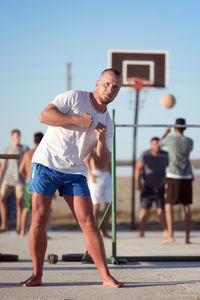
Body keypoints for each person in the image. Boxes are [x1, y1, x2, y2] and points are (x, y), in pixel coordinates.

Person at [20, 68, 124, 288]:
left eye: (115, 87)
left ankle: (106, 277)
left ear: (118, 91)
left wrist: (101, 140)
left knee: (88, 222)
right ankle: (37, 275)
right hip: (47, 163)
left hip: (75, 172)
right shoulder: (75, 97)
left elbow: (103, 162)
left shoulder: (108, 122)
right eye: (106, 84)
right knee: (39, 219)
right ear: (97, 82)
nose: (110, 89)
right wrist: (76, 119)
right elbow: (44, 115)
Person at [160, 118, 193, 244]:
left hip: (173, 174)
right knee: (186, 206)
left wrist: (166, 133)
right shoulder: (190, 141)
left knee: (168, 205)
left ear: (175, 128)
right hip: (187, 175)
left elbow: (160, 143)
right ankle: (187, 237)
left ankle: (171, 236)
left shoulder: (171, 138)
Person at [135, 137, 169, 238]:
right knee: (144, 211)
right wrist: (139, 185)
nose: (157, 146)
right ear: (151, 145)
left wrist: (168, 182)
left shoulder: (165, 155)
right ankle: (141, 232)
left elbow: (170, 169)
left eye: (158, 144)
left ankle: (166, 231)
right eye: (154, 144)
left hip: (161, 187)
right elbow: (137, 170)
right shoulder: (145, 154)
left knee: (161, 211)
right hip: (147, 187)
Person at [0, 129, 29, 233]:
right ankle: (4, 224)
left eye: (19, 135)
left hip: (19, 179)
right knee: (2, 199)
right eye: (16, 135)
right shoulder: (7, 149)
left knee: (19, 203)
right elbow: (3, 166)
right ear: (12, 137)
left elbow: (28, 163)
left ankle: (19, 226)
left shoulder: (25, 149)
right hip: (7, 178)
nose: (17, 137)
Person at [18, 132, 44, 237]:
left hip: (29, 182)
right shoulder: (43, 153)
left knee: (27, 208)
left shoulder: (27, 153)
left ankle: (23, 230)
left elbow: (20, 170)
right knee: (40, 209)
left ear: (34, 141)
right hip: (40, 184)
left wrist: (27, 175)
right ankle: (39, 232)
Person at [85, 149, 112, 238]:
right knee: (96, 204)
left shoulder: (107, 145)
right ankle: (93, 230)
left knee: (109, 205)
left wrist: (110, 174)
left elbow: (110, 161)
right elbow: (86, 160)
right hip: (96, 175)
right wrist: (91, 174)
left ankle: (103, 230)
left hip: (107, 175)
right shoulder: (93, 146)